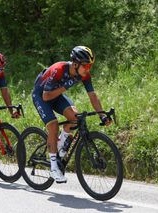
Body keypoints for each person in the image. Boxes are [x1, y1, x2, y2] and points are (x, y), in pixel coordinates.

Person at [32, 46, 112, 183]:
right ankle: (53, 167)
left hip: (56, 95)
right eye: (86, 65)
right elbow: (46, 96)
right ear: (75, 64)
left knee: (76, 118)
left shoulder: (84, 74)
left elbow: (92, 96)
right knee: (53, 125)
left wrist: (102, 115)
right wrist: (65, 86)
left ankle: (60, 147)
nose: (88, 69)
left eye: (90, 66)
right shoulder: (58, 69)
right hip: (41, 95)